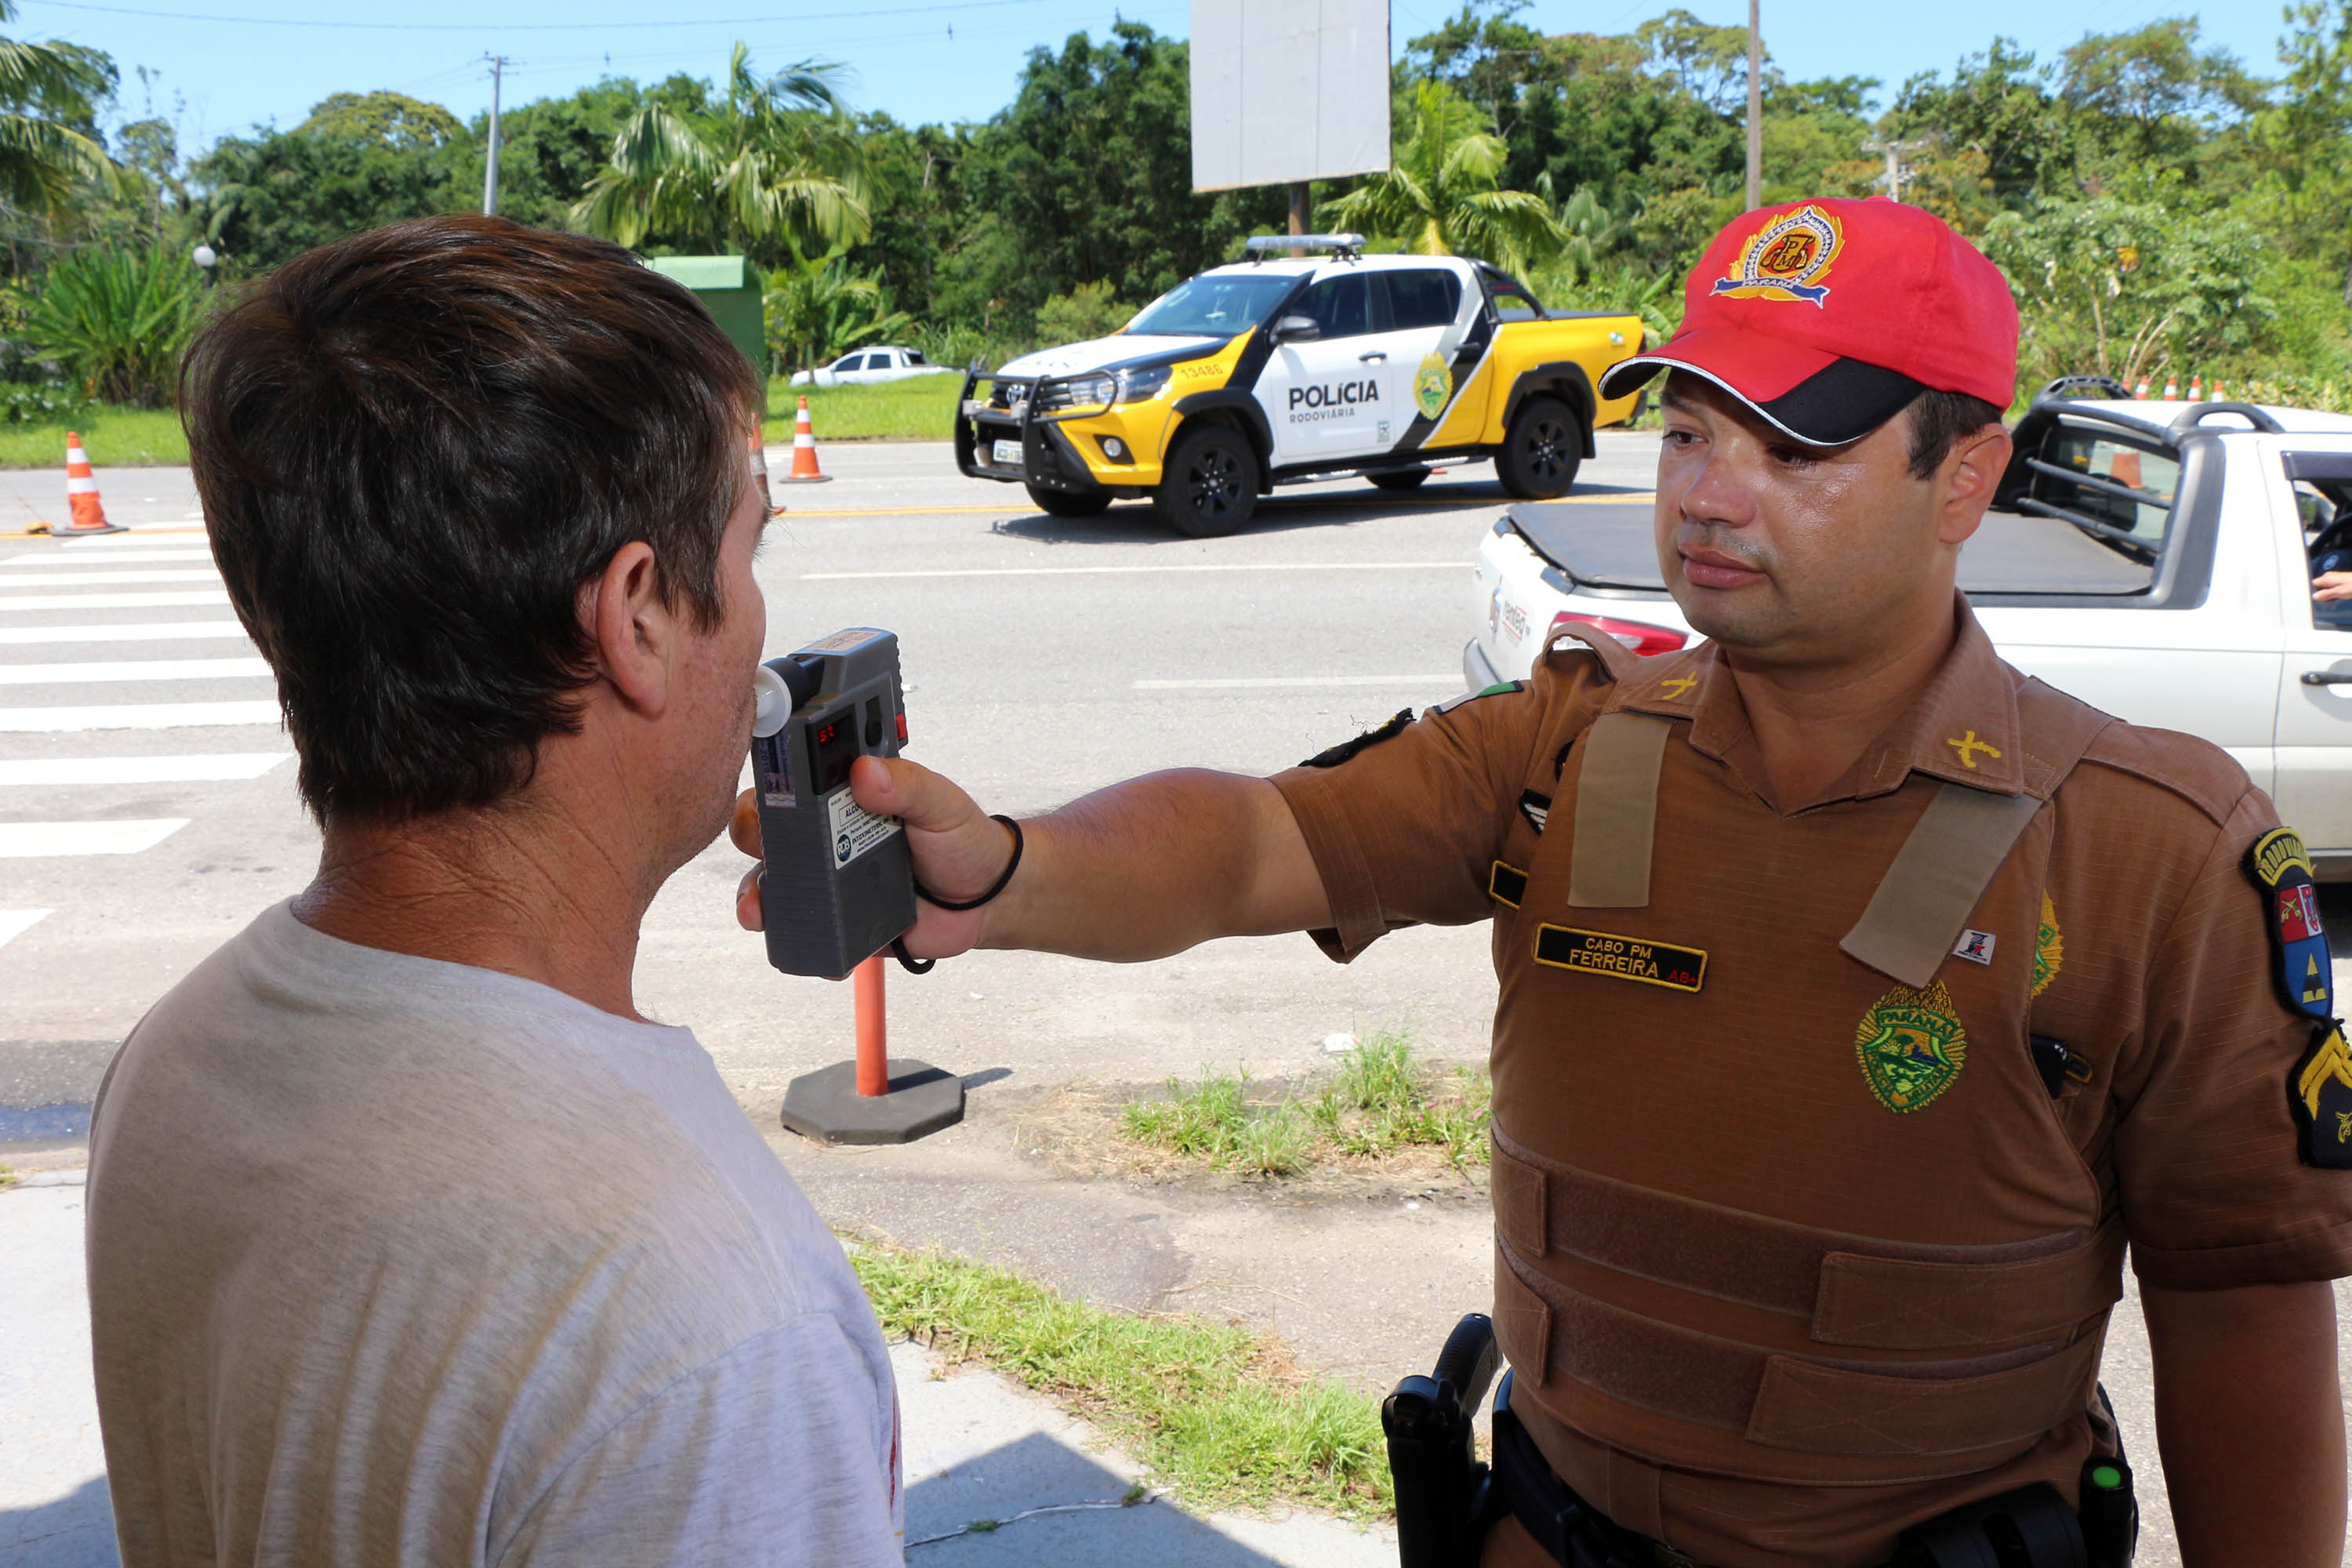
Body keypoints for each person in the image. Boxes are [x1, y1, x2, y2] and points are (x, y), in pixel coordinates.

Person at [735, 198, 2351, 1566]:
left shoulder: (2151, 849)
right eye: (1691, 429)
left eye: (1793, 445)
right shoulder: (1567, 746)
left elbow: (2246, 1319)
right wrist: (1010, 870)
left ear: (1967, 475)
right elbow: (1254, 841)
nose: (1707, 492)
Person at [86, 216, 903, 1568]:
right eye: (748, 548)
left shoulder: (174, 1061)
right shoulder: (704, 1330)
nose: (762, 623)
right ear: (636, 615)